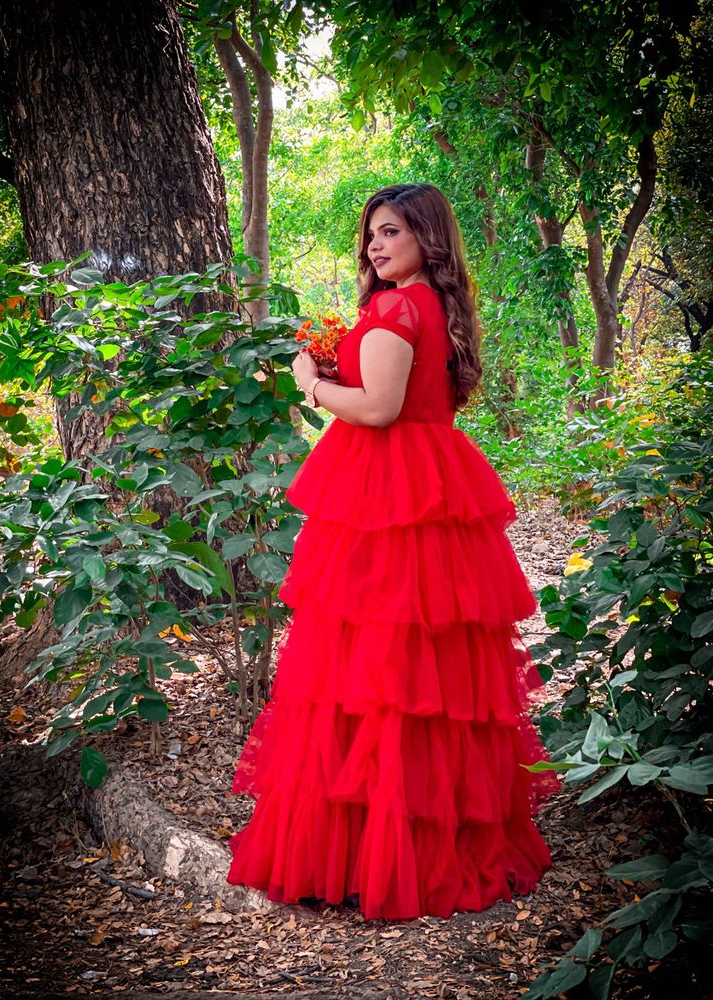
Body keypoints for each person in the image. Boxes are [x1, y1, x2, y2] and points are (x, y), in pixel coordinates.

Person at [225, 182, 558, 920]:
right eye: (371, 234)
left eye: (391, 233)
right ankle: (420, 835)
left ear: (425, 241)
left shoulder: (396, 307)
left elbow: (376, 410)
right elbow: (398, 396)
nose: (376, 246)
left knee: (370, 665)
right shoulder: (433, 307)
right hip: (430, 478)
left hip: (389, 490)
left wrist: (312, 382)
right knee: (424, 669)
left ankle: (369, 852)